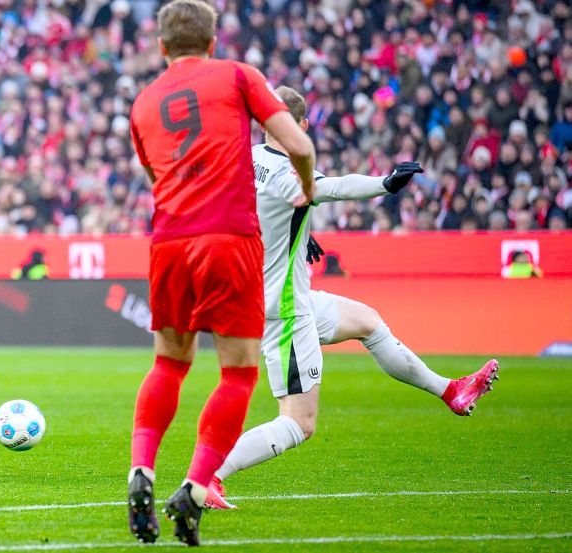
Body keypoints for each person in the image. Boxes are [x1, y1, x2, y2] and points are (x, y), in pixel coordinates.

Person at [205, 87, 499, 509]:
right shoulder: (291, 173)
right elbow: (336, 188)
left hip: (274, 294)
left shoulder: (245, 160)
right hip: (283, 309)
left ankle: (451, 390)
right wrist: (385, 183)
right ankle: (209, 476)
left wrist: (294, 234)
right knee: (298, 424)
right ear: (303, 127)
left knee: (367, 321)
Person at [126, 1, 315, 546]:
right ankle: (194, 485)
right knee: (237, 375)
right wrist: (305, 186)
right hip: (229, 238)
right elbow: (297, 143)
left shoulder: (143, 102)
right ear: (212, 40)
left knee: (168, 363)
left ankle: (140, 470)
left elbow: (152, 174)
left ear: (162, 47)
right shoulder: (236, 75)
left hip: (168, 242)